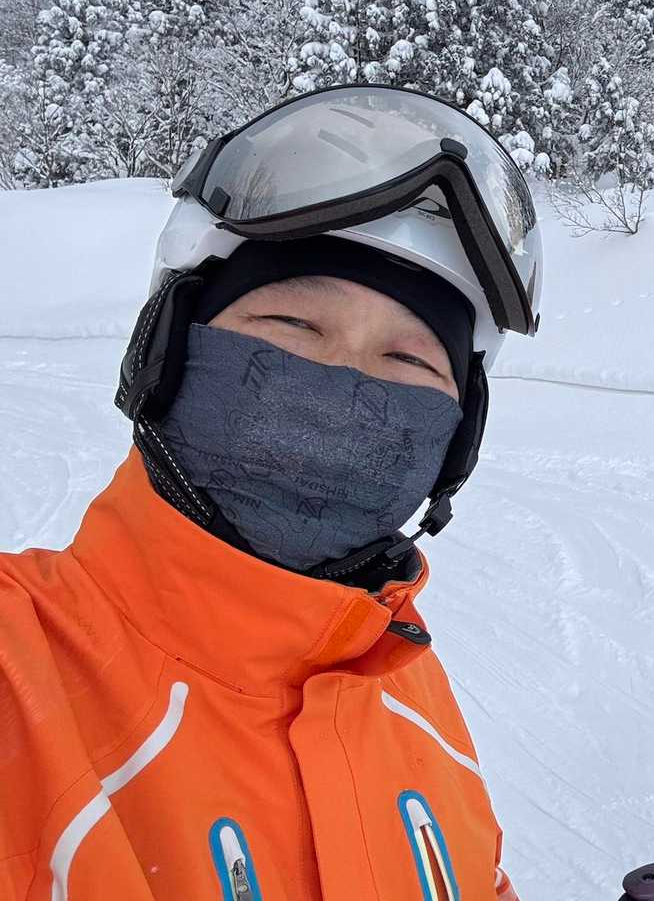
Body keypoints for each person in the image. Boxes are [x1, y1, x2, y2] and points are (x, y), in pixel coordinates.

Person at [0, 86, 542, 901]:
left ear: (455, 443)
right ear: (167, 359)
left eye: (408, 362)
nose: (347, 384)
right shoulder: (20, 671)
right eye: (293, 328)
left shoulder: (405, 685)